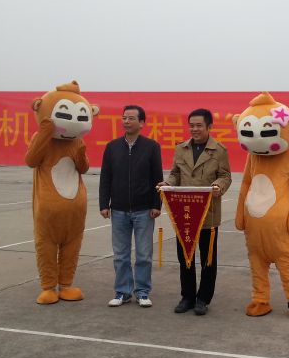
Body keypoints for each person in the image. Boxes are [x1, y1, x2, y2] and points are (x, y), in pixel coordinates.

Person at [160, 109, 232, 316]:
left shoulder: (219, 150)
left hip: (208, 214)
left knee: (208, 259)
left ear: (209, 127)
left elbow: (225, 176)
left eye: (199, 125)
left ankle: (203, 299)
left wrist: (218, 186)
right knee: (185, 257)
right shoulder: (181, 148)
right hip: (185, 214)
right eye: (191, 125)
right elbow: (175, 173)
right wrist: (167, 183)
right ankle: (187, 297)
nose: (194, 129)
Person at [99, 105, 163, 307]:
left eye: (131, 118)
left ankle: (142, 292)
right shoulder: (112, 147)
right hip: (118, 210)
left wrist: (156, 204)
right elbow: (105, 177)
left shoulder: (151, 147)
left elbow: (157, 178)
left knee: (144, 255)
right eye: (124, 118)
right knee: (120, 255)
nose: (126, 121)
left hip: (144, 210)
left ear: (142, 123)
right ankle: (122, 292)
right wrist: (104, 204)